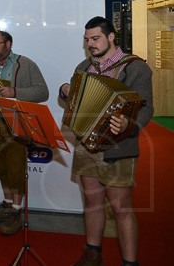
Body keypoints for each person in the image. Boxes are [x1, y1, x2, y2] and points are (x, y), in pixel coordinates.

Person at [60, 17, 153, 266]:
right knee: (92, 203)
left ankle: (130, 262)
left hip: (117, 148)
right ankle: (93, 252)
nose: (90, 44)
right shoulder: (84, 67)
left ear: (111, 37)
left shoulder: (135, 68)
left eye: (95, 38)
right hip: (86, 146)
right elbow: (76, 102)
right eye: (87, 39)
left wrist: (128, 125)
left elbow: (146, 108)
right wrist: (65, 90)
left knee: (121, 209)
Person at [0, 30, 48, 235]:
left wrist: (15, 92)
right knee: (1, 168)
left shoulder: (25, 64)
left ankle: (16, 210)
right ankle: (7, 205)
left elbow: (43, 92)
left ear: (8, 44)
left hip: (15, 125)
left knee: (16, 170)